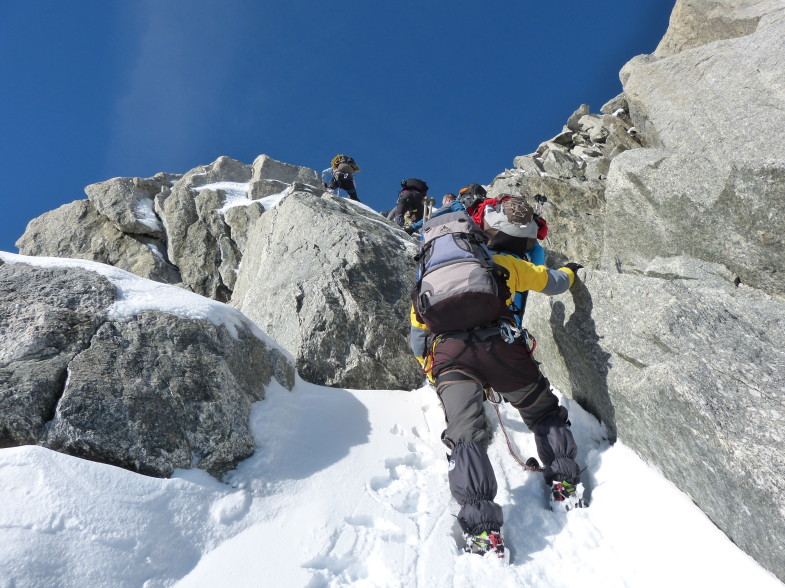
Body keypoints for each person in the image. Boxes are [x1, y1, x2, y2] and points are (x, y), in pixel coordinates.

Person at [410, 229, 585, 556]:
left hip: (450, 357)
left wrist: (441, 376)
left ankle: (482, 532)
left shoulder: (424, 286)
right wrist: (570, 272)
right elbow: (553, 284)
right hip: (501, 346)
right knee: (541, 410)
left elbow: (418, 341)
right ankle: (564, 482)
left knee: (465, 435)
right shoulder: (497, 262)